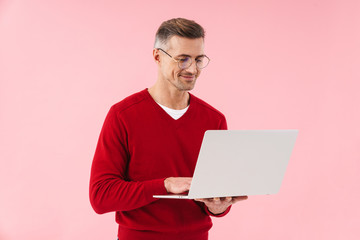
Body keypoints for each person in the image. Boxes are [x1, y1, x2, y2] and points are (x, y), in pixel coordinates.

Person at [89, 18, 248, 240]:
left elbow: (214, 202)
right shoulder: (123, 115)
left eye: (198, 59)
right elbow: (101, 196)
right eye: (182, 59)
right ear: (157, 56)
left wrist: (218, 206)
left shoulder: (214, 120)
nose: (192, 69)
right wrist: (165, 185)